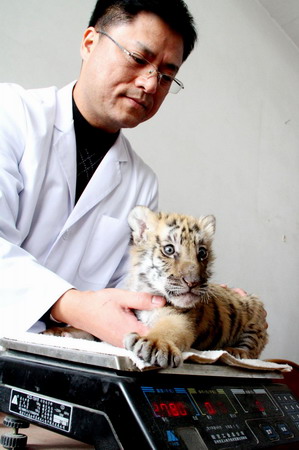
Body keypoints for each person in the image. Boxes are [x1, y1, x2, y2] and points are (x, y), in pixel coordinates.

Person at [0, 0, 198, 345]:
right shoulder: (12, 114)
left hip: (63, 364)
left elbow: (130, 288)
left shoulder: (141, 182)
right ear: (90, 43)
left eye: (167, 76)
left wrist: (195, 296)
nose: (151, 85)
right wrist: (72, 304)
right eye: (138, 59)